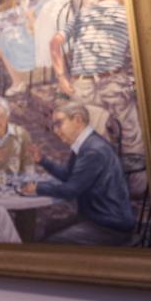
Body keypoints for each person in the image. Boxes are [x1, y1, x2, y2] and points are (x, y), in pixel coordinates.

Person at [22, 102, 137, 246]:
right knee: (47, 229)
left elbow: (71, 190)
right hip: (98, 218)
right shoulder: (84, 144)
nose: (55, 131)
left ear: (77, 120)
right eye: (53, 126)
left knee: (50, 242)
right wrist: (42, 160)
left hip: (110, 226)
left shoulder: (93, 150)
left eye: (59, 123)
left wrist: (37, 188)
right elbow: (69, 175)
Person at [50, 0, 144, 156]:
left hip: (81, 86)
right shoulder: (129, 13)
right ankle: (133, 176)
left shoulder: (83, 13)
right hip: (112, 84)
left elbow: (54, 43)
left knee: (91, 139)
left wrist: (62, 77)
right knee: (133, 138)